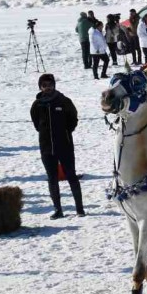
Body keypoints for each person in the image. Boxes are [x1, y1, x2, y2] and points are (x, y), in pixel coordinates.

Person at [30, 73, 85, 219]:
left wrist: (66, 132)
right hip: (47, 147)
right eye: (44, 85)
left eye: (50, 85)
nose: (48, 88)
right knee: (52, 178)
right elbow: (36, 123)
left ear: (54, 85)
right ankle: (58, 209)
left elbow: (73, 119)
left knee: (71, 175)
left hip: (64, 145)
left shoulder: (64, 101)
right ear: (40, 87)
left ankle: (80, 208)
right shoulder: (37, 105)